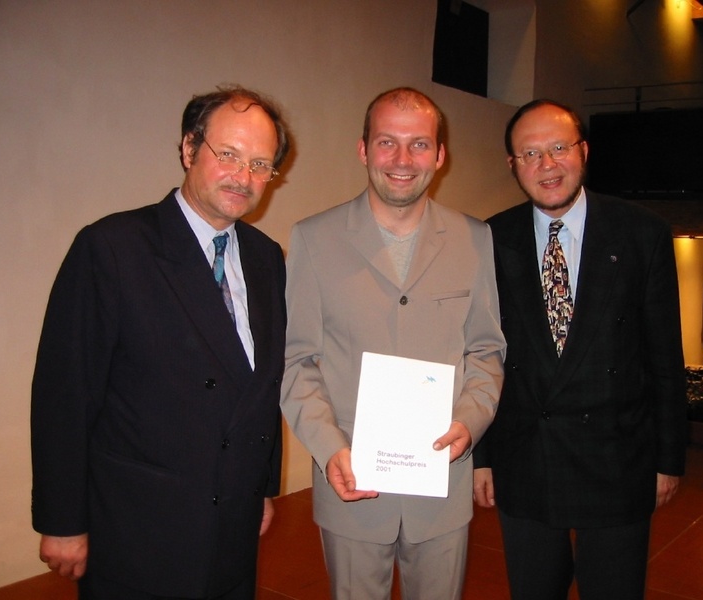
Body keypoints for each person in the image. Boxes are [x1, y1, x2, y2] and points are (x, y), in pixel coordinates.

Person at [31, 84, 290, 599]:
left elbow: (262, 386)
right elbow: (65, 394)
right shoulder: (112, 248)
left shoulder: (266, 258)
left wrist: (261, 486)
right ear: (189, 149)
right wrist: (62, 520)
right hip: (138, 524)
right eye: (230, 155)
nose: (244, 177)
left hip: (232, 522)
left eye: (261, 165)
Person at [281, 87, 505, 600]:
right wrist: (328, 447)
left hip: (442, 479)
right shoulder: (314, 239)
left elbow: (487, 349)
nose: (403, 160)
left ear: (440, 155)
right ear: (364, 149)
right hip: (351, 480)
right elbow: (297, 360)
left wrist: (470, 422)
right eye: (387, 142)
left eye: (419, 144)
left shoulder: (475, 239)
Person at [473, 99, 687, 600]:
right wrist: (481, 458)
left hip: (618, 458)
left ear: (583, 151)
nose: (546, 165)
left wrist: (668, 458)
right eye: (530, 154)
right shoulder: (488, 237)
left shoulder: (642, 233)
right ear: (513, 165)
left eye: (558, 148)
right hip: (525, 458)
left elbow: (664, 357)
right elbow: (478, 355)